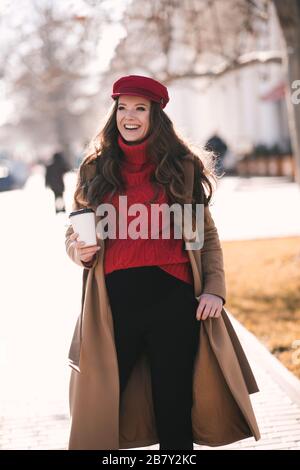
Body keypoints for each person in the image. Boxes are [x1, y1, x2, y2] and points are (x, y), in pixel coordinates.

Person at [65, 75, 261, 450]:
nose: (130, 116)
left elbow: (206, 239)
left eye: (140, 108)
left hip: (174, 300)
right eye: (123, 108)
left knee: (174, 409)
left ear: (156, 115)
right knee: (101, 410)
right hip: (113, 304)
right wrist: (79, 251)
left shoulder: (179, 169)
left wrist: (215, 292)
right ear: (114, 113)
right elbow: (74, 232)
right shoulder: (96, 169)